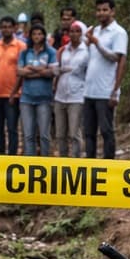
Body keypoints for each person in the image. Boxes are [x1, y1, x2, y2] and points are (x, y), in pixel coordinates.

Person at [83, 0, 128, 159]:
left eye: (105, 10)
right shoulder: (95, 31)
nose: (101, 13)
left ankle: (108, 166)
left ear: (112, 11)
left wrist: (115, 90)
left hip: (105, 91)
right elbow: (90, 59)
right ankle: (89, 166)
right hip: (89, 90)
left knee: (106, 131)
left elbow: (117, 58)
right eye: (98, 10)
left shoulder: (118, 33)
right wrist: (88, 43)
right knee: (88, 132)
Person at [0, 15, 23, 155]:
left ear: (14, 28)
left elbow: (22, 72)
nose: (6, 30)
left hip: (13, 94)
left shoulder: (20, 46)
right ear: (0, 29)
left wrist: (15, 92)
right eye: (3, 27)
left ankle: (12, 156)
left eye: (9, 27)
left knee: (12, 128)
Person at [18, 23, 57, 157]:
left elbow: (53, 72)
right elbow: (20, 72)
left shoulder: (51, 52)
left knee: (44, 134)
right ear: (30, 36)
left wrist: (32, 69)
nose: (37, 36)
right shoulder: (25, 52)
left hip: (44, 98)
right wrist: (42, 69)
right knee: (29, 134)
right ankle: (30, 161)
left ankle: (45, 161)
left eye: (40, 34)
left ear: (44, 36)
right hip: (27, 98)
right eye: (34, 34)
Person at [53, 20, 88, 157]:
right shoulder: (64, 50)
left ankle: (75, 161)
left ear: (82, 33)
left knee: (74, 132)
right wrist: (58, 72)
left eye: (77, 31)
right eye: (71, 31)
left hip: (77, 95)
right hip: (61, 94)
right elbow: (57, 68)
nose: (74, 34)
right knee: (60, 133)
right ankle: (63, 160)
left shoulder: (86, 52)